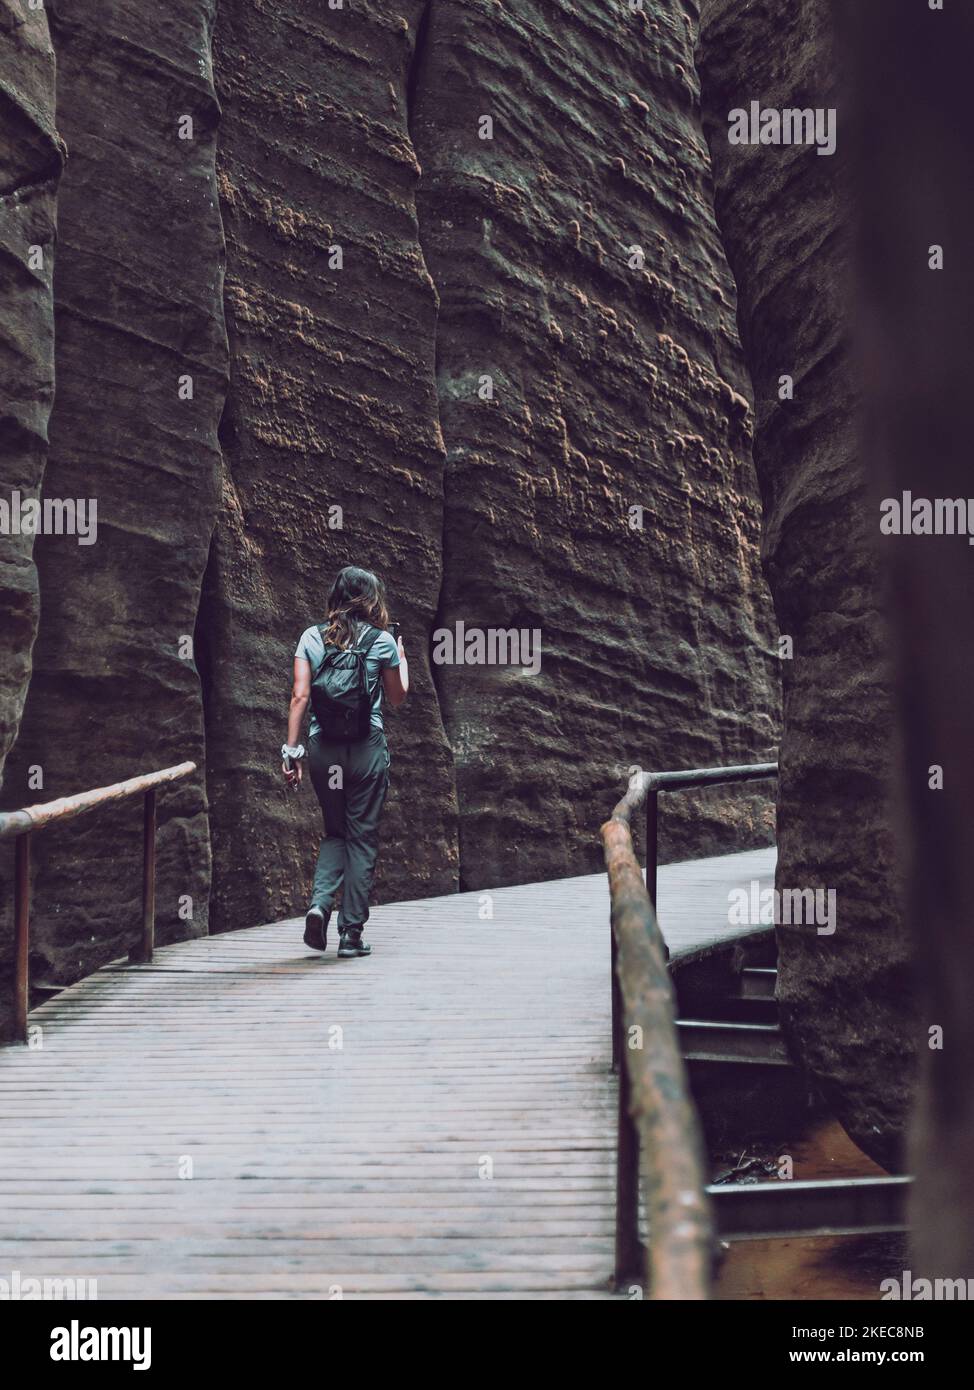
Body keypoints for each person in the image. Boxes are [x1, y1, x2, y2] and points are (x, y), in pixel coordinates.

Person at [281, 566, 408, 958]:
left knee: (336, 831)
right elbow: (398, 697)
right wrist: (402, 660)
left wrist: (292, 751)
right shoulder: (382, 641)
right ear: (371, 599)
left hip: (325, 753)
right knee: (362, 837)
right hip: (365, 751)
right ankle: (350, 934)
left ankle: (320, 904)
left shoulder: (310, 638)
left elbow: (299, 697)